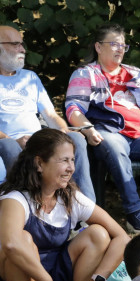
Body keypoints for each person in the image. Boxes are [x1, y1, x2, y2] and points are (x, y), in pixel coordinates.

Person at [0, 129, 130, 281]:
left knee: (98, 234)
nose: (71, 168)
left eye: (72, 160)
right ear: (39, 163)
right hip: (17, 279)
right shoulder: (15, 199)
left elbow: (122, 237)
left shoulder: (70, 197)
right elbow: (9, 244)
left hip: (56, 275)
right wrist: (44, 280)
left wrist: (98, 279)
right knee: (22, 238)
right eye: (64, 161)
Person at [65, 23, 140, 233]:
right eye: (114, 44)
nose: (120, 49)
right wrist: (87, 128)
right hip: (109, 132)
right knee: (114, 145)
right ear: (98, 47)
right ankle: (134, 212)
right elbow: (73, 107)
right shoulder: (86, 73)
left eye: (123, 45)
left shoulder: (135, 73)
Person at [0, 25, 94, 199]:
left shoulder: (29, 78)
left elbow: (50, 115)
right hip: (6, 141)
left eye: (22, 44)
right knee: (9, 146)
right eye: (15, 44)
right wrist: (13, 140)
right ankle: (24, 207)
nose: (22, 49)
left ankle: (84, 208)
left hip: (37, 141)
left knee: (74, 139)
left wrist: (64, 133)